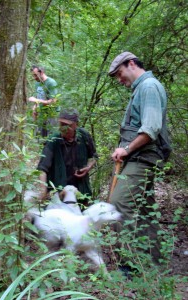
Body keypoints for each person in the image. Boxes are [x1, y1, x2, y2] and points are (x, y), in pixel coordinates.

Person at [108, 52, 171, 269]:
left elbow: (151, 129)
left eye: (120, 73)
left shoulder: (149, 87)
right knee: (144, 209)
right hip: (140, 157)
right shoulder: (142, 88)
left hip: (142, 158)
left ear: (131, 64)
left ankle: (130, 266)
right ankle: (155, 263)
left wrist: (125, 149)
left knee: (118, 205)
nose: (119, 79)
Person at [37, 108, 98, 207]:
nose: (64, 128)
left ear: (76, 124)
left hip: (81, 191)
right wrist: (43, 192)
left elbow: (94, 156)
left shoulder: (84, 136)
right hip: (59, 193)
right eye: (62, 124)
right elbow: (42, 169)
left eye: (68, 125)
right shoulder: (53, 141)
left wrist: (88, 167)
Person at [28, 65, 58, 138]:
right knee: (40, 139)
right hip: (41, 115)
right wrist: (35, 108)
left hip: (51, 115)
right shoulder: (37, 83)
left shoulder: (51, 82)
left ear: (41, 72)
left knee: (51, 139)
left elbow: (54, 101)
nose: (34, 78)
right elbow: (38, 98)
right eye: (33, 75)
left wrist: (37, 100)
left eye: (35, 75)